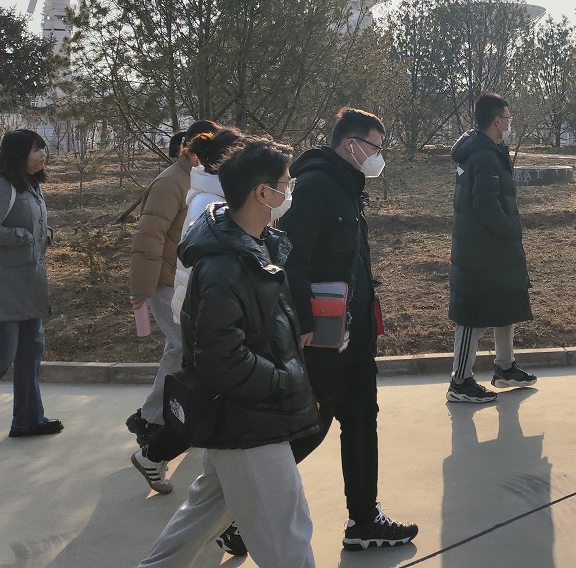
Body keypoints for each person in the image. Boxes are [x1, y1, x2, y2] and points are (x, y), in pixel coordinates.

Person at [137, 137, 321, 568]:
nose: (289, 192)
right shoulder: (226, 265)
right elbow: (222, 358)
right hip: (250, 421)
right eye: (285, 184)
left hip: (239, 419)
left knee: (204, 513)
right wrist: (284, 380)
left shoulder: (253, 247)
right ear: (262, 193)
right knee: (287, 535)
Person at [282, 108, 419, 550]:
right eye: (375, 146)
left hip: (355, 332)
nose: (379, 156)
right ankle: (241, 512)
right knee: (312, 425)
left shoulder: (348, 186)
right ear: (351, 144)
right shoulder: (316, 186)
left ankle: (363, 520)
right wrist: (304, 321)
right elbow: (292, 256)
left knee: (361, 421)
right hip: (323, 335)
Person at [126, 120, 219, 475]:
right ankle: (154, 420)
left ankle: (150, 417)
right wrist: (141, 289)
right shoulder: (171, 181)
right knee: (185, 346)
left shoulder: (196, 179)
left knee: (178, 348)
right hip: (166, 281)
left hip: (185, 279)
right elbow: (148, 235)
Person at [0, 129, 62, 437]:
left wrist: (43, 234)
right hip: (3, 287)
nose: (42, 154)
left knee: (30, 353)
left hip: (29, 284)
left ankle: (28, 420)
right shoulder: (3, 185)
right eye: (36, 149)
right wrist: (23, 236)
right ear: (19, 155)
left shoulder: (32, 185)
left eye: (42, 149)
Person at [446, 92, 537, 404]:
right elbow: (486, 204)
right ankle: (460, 382)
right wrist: (509, 229)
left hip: (492, 248)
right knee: (472, 314)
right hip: (481, 250)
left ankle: (505, 367)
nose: (509, 124)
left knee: (505, 304)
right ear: (497, 120)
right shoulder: (483, 155)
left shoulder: (486, 150)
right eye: (508, 119)